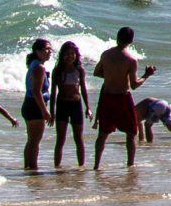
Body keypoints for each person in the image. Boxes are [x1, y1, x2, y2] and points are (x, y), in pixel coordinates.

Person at [92, 27, 156, 170]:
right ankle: (130, 164)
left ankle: (96, 165)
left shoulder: (106, 55)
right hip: (122, 98)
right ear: (131, 41)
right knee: (132, 132)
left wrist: (109, 76)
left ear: (117, 37)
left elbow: (96, 72)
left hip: (107, 97)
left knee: (103, 133)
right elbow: (134, 85)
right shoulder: (131, 60)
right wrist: (146, 75)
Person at [48, 41, 91, 167]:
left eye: (72, 54)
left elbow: (83, 89)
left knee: (79, 138)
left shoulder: (79, 70)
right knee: (60, 139)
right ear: (62, 55)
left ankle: (81, 167)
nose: (70, 56)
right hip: (62, 105)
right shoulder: (57, 70)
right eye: (67, 54)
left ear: (76, 55)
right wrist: (52, 112)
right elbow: (53, 93)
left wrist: (88, 107)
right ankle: (56, 167)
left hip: (76, 105)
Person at [21, 39, 54, 170]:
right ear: (37, 51)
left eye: (50, 49)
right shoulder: (39, 67)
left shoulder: (33, 64)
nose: (49, 52)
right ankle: (33, 170)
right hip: (35, 106)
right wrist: (45, 111)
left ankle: (27, 167)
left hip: (29, 104)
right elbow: (36, 91)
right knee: (34, 142)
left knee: (31, 141)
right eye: (46, 49)